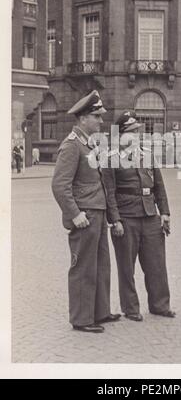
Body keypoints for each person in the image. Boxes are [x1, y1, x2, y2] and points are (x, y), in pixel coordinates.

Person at [51, 90, 120, 333]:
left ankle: (99, 311)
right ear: (83, 119)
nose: (101, 121)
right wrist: (75, 213)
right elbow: (60, 185)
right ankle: (81, 319)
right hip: (84, 215)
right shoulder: (71, 146)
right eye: (97, 117)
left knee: (101, 264)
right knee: (83, 267)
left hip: (97, 211)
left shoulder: (89, 143)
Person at [103, 110, 175, 322]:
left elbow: (159, 187)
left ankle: (160, 305)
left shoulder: (147, 154)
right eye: (131, 132)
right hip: (126, 217)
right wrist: (115, 220)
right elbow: (109, 192)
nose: (136, 136)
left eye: (137, 132)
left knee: (157, 263)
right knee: (126, 266)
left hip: (150, 214)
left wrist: (165, 213)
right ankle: (131, 308)